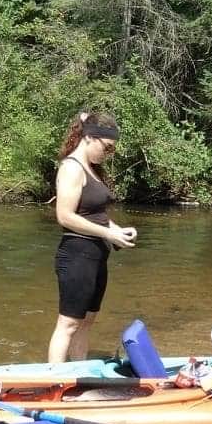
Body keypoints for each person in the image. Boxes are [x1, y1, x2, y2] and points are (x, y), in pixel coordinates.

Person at [47, 111, 137, 363]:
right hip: (76, 256)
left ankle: (78, 372)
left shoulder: (92, 170)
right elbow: (65, 216)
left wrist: (117, 230)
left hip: (96, 257)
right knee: (68, 324)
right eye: (107, 148)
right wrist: (108, 233)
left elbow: (94, 214)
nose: (108, 154)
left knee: (86, 321)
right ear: (89, 138)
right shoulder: (71, 168)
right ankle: (55, 382)